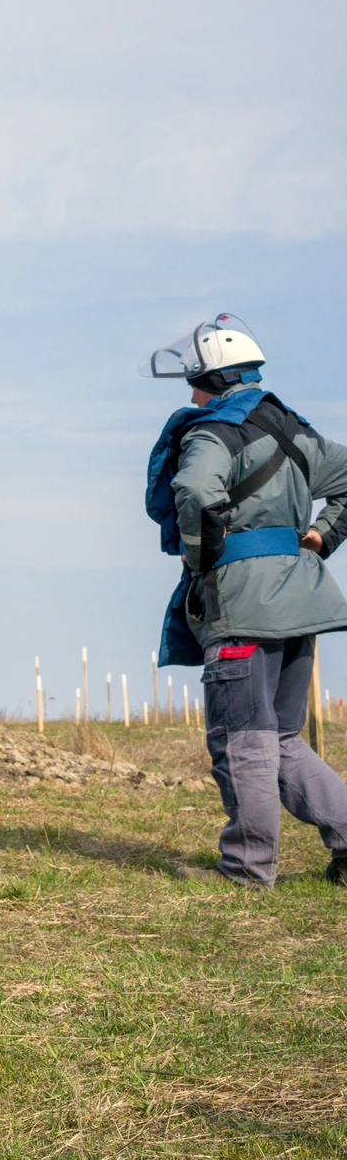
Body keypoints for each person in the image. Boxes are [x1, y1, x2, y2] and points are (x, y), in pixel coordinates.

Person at [142, 314, 347, 887]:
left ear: (213, 379)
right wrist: (321, 535)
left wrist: (200, 557)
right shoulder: (295, 430)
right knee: (281, 738)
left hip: (242, 602)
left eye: (195, 383)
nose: (191, 396)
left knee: (243, 739)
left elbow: (194, 489)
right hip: (301, 599)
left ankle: (246, 869)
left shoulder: (212, 432)